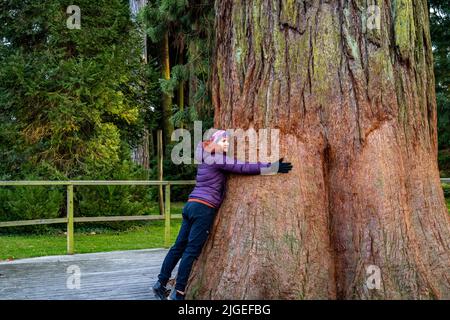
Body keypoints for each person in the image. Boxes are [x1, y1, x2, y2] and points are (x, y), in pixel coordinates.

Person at [152, 129, 293, 300]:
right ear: (215, 141)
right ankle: (179, 293)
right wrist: (271, 167)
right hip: (203, 208)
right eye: (223, 141)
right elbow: (243, 167)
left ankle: (160, 284)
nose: (226, 144)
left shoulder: (205, 156)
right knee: (190, 251)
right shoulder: (217, 158)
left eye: (228, 141)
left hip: (191, 205)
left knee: (178, 247)